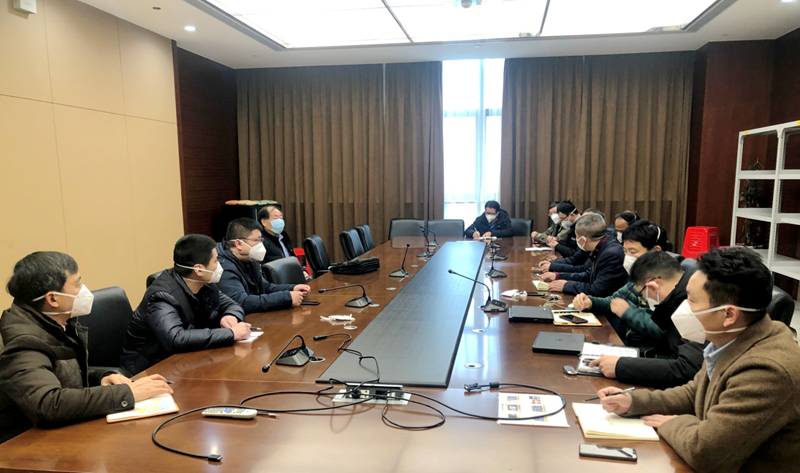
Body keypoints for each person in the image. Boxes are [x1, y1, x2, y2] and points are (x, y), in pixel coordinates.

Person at [597, 248, 800, 473]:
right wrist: (634, 401)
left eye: (692, 301)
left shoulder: (767, 371)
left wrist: (673, 423)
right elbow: (694, 393)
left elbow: (705, 451)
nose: (684, 308)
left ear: (729, 315)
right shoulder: (731, 340)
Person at [0, 252, 172, 443]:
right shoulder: (22, 341)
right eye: (77, 284)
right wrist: (127, 394)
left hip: (59, 432)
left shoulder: (54, 321)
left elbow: (56, 372)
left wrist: (101, 378)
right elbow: (47, 404)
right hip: (23, 443)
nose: (84, 290)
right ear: (53, 299)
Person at [120, 235, 251, 375]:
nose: (219, 265)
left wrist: (230, 315)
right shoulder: (162, 296)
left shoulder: (205, 284)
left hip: (188, 359)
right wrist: (230, 334)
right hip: (149, 367)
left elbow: (233, 305)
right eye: (215, 261)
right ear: (198, 270)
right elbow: (176, 339)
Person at [588, 251, 705, 389]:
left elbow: (687, 369)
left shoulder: (691, 308)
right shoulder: (678, 297)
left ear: (653, 286)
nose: (644, 298)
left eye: (642, 294)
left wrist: (621, 366)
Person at [573, 220, 669, 353]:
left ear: (656, 250)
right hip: (631, 347)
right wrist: (591, 302)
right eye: (625, 251)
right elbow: (613, 301)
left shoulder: (670, 283)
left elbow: (667, 331)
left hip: (651, 355)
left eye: (633, 251)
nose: (627, 257)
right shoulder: (639, 277)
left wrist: (627, 312)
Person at [216, 218, 310, 314]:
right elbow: (242, 302)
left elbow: (265, 287)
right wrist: (286, 298)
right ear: (239, 244)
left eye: (261, 240)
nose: (261, 245)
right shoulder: (223, 267)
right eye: (257, 240)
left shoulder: (248, 258)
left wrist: (292, 288)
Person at [539, 214, 627, 297]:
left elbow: (597, 290)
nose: (576, 239)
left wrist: (566, 286)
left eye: (577, 236)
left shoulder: (611, 254)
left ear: (584, 239)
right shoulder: (600, 246)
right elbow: (587, 275)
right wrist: (558, 275)